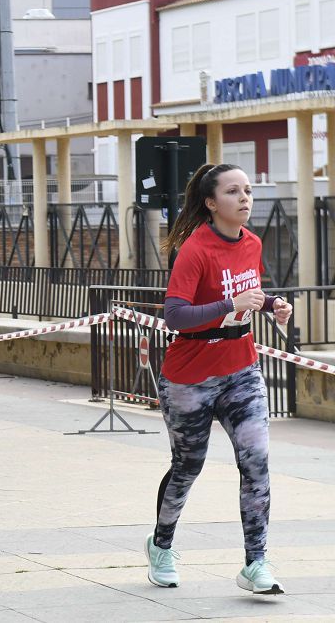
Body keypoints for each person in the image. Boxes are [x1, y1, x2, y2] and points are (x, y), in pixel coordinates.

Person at [145, 163, 292, 595]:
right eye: (233, 191)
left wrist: (272, 305)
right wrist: (232, 303)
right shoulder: (195, 250)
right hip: (190, 376)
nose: (244, 198)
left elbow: (249, 295)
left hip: (241, 369)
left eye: (247, 190)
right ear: (211, 203)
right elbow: (175, 316)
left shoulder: (252, 243)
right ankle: (161, 546)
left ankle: (256, 562)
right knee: (188, 465)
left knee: (256, 462)